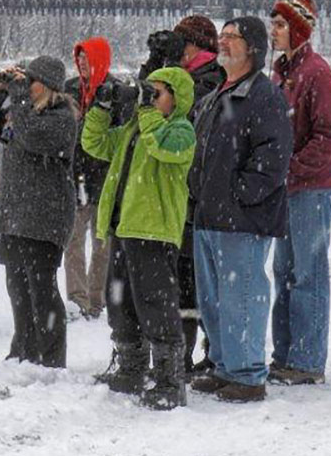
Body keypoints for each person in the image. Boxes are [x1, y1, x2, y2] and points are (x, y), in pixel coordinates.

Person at [188, 16, 293, 403]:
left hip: (242, 218)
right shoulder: (218, 92)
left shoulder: (264, 95)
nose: (224, 43)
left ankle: (247, 373)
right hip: (208, 214)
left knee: (243, 298)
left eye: (233, 38)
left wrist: (239, 195)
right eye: (222, 36)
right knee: (214, 300)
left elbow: (274, 157)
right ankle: (224, 366)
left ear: (252, 48)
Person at [84, 67, 196, 410]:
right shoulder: (135, 129)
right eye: (150, 92)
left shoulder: (181, 131)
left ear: (176, 99)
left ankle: (169, 379)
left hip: (154, 231)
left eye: (158, 92)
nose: (150, 99)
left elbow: (163, 147)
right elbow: (95, 143)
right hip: (124, 227)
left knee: (156, 304)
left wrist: (146, 111)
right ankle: (131, 366)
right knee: (120, 301)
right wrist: (101, 108)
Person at [0, 56, 77, 368]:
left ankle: (51, 357)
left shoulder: (61, 119)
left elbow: (30, 135)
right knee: (17, 287)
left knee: (41, 288)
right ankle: (24, 350)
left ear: (45, 85)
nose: (26, 87)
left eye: (30, 81)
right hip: (17, 214)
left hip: (45, 218)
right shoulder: (23, 113)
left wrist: (17, 95)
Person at [268, 0, 331, 385]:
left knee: (308, 273)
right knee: (283, 271)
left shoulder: (317, 73)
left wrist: (293, 169)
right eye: (273, 23)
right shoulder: (280, 72)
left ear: (298, 30)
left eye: (280, 24)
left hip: (314, 188)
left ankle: (308, 360)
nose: (273, 30)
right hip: (289, 187)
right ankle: (283, 354)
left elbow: (330, 136)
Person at [171, 14, 225, 374]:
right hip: (186, 196)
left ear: (196, 45)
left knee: (197, 279)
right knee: (188, 278)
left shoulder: (209, 81)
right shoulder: (190, 78)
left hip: (200, 197)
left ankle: (208, 353)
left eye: (181, 44)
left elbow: (185, 123)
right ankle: (189, 354)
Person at [63, 37, 132, 319]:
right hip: (75, 174)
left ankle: (96, 298)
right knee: (74, 241)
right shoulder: (70, 89)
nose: (81, 63)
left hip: (104, 177)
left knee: (102, 243)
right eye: (78, 57)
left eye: (86, 57)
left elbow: (120, 134)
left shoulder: (115, 91)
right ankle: (76, 299)